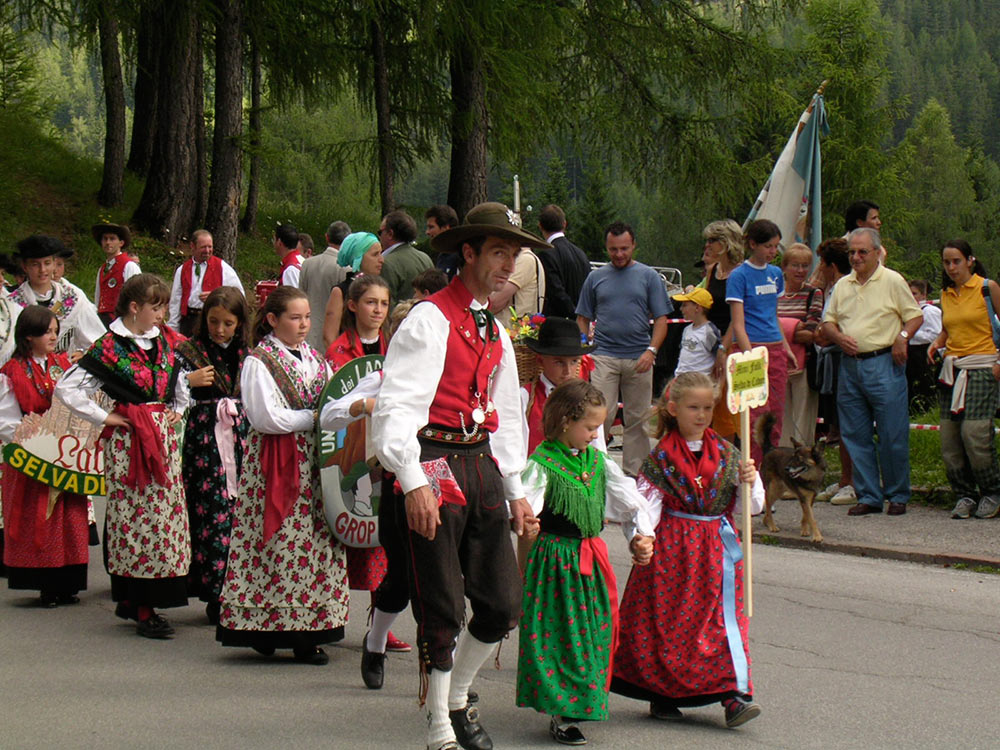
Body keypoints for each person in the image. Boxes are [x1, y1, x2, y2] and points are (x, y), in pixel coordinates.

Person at [371, 201, 546, 750]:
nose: (507, 265)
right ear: (467, 252)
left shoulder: (493, 327)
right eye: (499, 252)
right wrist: (413, 478)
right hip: (432, 460)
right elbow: (397, 407)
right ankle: (441, 721)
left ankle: (458, 694)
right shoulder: (429, 318)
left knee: (502, 603)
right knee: (443, 601)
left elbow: (509, 415)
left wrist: (516, 489)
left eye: (514, 255)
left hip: (482, 464)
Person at [612, 371, 765, 728]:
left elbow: (752, 507)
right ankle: (663, 693)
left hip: (717, 552)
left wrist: (748, 482)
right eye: (693, 407)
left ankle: (735, 696)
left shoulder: (729, 454)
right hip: (674, 552)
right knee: (669, 623)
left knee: (722, 623)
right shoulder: (662, 457)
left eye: (708, 408)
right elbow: (645, 505)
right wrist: (643, 537)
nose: (701, 415)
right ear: (673, 408)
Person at [516, 380, 654, 746]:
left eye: (598, 427)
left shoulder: (598, 462)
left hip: (591, 559)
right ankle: (563, 711)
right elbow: (525, 504)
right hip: (556, 563)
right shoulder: (542, 464)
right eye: (590, 427)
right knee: (563, 637)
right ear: (565, 421)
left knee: (593, 634)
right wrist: (527, 523)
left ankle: (581, 702)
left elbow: (630, 502)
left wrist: (640, 535)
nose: (596, 434)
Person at [216, 287, 348, 664]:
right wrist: (314, 418)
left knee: (315, 543)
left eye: (307, 317)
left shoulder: (317, 361)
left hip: (314, 464)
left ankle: (310, 629)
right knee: (277, 541)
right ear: (273, 320)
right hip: (276, 462)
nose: (304, 324)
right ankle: (266, 625)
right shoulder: (260, 361)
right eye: (295, 317)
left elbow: (332, 404)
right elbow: (265, 417)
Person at [55, 274, 191, 638]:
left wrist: (177, 407)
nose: (162, 314)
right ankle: (142, 604)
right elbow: (68, 387)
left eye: (163, 306)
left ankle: (138, 599)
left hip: (161, 439)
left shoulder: (161, 343)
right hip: (130, 442)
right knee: (137, 520)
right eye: (156, 307)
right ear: (135, 308)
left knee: (165, 520)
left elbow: (178, 382)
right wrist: (106, 416)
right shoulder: (111, 347)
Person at [323, 276, 409, 688]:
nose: (377, 309)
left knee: (382, 544)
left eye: (383, 303)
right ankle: (331, 616)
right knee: (345, 537)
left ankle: (380, 624)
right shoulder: (340, 351)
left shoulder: (397, 351)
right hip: (354, 443)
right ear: (353, 306)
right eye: (370, 302)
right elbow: (334, 407)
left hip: (389, 452)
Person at [820, 228, 923, 517]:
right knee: (854, 433)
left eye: (862, 252)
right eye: (852, 252)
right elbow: (828, 322)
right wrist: (839, 338)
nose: (856, 257)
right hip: (850, 365)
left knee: (892, 433)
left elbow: (915, 315)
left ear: (877, 252)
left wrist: (902, 336)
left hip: (883, 362)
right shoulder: (843, 285)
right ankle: (868, 495)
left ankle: (898, 494)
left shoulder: (892, 280)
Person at [0, 306, 88, 606]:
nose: (54, 336)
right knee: (42, 517)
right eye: (47, 332)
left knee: (69, 518)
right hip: (32, 456)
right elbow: (7, 420)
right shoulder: (12, 373)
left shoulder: (63, 365)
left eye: (54, 330)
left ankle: (69, 582)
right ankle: (45, 584)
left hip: (65, 453)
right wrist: (32, 436)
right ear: (28, 336)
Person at [174, 287, 250, 625]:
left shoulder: (249, 355)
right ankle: (214, 591)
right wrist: (188, 382)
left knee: (240, 512)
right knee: (212, 511)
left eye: (228, 323)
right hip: (206, 441)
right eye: (214, 322)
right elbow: (166, 391)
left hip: (241, 437)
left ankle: (238, 589)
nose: (220, 330)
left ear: (239, 324)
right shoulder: (189, 352)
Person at [576, 221, 672, 477]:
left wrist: (651, 350)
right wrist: (584, 350)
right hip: (603, 356)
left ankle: (635, 476)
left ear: (633, 246)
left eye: (624, 249)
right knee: (598, 416)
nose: (619, 254)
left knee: (637, 420)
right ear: (606, 248)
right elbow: (582, 317)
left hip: (639, 357)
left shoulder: (649, 277)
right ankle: (594, 470)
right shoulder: (596, 277)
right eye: (613, 249)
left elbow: (662, 319)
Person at [930, 241, 1000, 520]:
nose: (951, 268)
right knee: (949, 439)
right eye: (947, 262)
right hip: (952, 368)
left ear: (970, 260)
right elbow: (948, 329)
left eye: (956, 261)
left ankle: (992, 491)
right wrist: (936, 343)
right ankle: (964, 494)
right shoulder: (946, 293)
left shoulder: (987, 287)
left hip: (982, 367)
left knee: (975, 434)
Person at [726, 219, 797, 462]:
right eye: (768, 246)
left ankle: (770, 470)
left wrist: (785, 348)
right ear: (753, 244)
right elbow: (738, 323)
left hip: (774, 347)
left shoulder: (776, 274)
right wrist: (750, 357)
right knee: (755, 414)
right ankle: (752, 471)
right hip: (749, 347)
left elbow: (774, 315)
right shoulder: (739, 276)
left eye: (776, 247)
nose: (773, 252)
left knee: (775, 412)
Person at [9, 235, 105, 360]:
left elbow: (97, 338)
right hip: (26, 372)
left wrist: (84, 354)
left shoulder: (73, 297)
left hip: (66, 372)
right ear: (24, 267)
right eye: (35, 264)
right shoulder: (12, 304)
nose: (42, 270)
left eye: (47, 263)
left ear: (55, 264)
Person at [813, 239, 856, 505]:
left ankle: (853, 482)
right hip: (831, 359)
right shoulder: (832, 288)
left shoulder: (842, 286)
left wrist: (823, 334)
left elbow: (828, 330)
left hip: (840, 359)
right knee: (836, 425)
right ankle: (844, 479)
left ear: (831, 265)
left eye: (821, 262)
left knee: (846, 423)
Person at [698, 220, 744, 440]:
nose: (707, 245)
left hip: (732, 343)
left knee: (728, 407)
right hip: (711, 343)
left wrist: (723, 349)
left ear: (725, 243)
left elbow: (737, 318)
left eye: (712, 240)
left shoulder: (741, 273)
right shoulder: (713, 270)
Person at [777, 243, 824, 447]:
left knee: (803, 416)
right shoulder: (774, 293)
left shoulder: (814, 294)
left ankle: (803, 460)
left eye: (805, 266)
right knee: (780, 415)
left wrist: (780, 327)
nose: (800, 270)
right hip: (776, 363)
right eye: (795, 265)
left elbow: (811, 334)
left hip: (804, 364)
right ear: (785, 267)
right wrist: (795, 326)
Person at [167, 230, 244, 337]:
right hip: (188, 321)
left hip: (211, 321)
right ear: (192, 246)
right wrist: (173, 328)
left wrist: (216, 296)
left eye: (210, 247)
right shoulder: (182, 269)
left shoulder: (223, 268)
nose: (207, 251)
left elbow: (239, 295)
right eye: (203, 247)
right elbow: (176, 301)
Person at [322, 232, 384, 349]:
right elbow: (329, 336)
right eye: (375, 254)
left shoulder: (381, 288)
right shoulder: (341, 291)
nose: (381, 260)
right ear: (358, 258)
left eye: (381, 253)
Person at [300, 220, 352, 351]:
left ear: (327, 237)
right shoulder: (345, 269)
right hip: (332, 335)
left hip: (307, 332)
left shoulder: (307, 264)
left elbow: (301, 295)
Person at [535, 204, 591, 319]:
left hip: (558, 324)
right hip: (582, 321)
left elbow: (556, 293)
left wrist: (574, 316)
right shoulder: (581, 254)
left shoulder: (546, 254)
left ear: (540, 226)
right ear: (564, 224)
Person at [379, 210, 433, 306]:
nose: (379, 236)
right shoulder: (425, 258)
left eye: (380, 232)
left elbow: (387, 305)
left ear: (390, 234)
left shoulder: (386, 263)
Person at [92, 222, 141, 326]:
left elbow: (136, 296)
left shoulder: (129, 266)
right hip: (102, 320)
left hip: (120, 321)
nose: (108, 242)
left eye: (112, 239)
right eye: (105, 239)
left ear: (121, 243)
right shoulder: (102, 268)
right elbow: (98, 296)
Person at [907, 278, 942, 414]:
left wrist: (910, 333)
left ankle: (928, 412)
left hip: (925, 352)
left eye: (914, 293)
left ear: (923, 295)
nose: (911, 297)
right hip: (912, 354)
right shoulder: (909, 312)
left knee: (927, 387)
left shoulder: (930, 311)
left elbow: (936, 334)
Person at [488, 244, 545, 321]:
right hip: (512, 329)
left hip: (512, 330)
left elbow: (495, 302)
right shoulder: (524, 259)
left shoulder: (524, 259)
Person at [672, 287, 719, 377]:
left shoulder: (709, 331)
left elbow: (719, 355)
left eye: (684, 305)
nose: (681, 309)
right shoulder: (687, 329)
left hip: (699, 382)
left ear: (697, 307)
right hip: (681, 379)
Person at [426, 204, 460, 279]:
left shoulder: (461, 257)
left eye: (431, 227)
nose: (427, 232)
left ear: (445, 228)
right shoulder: (443, 256)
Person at [274, 223, 303, 287]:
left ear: (279, 242)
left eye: (274, 240)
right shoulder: (302, 260)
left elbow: (293, 296)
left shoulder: (290, 270)